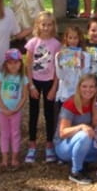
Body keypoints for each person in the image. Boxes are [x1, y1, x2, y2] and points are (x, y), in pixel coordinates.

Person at [24, 11, 61, 164]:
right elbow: (28, 65)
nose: (46, 27)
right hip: (35, 81)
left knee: (49, 114)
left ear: (53, 26)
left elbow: (58, 67)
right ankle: (32, 145)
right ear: (38, 25)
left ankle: (49, 144)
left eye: (49, 24)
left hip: (49, 82)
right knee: (33, 113)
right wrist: (31, 85)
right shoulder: (33, 43)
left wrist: (54, 87)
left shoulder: (56, 44)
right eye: (43, 24)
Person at [54, 73, 97, 185]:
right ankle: (76, 172)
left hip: (83, 142)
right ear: (79, 87)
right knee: (84, 135)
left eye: (91, 86)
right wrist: (81, 126)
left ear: (96, 88)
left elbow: (96, 126)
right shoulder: (71, 103)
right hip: (64, 146)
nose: (88, 90)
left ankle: (82, 160)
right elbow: (62, 133)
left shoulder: (95, 103)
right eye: (84, 86)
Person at [0, 48, 28, 168]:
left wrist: (17, 108)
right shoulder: (1, 76)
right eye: (10, 63)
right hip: (2, 111)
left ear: (20, 63)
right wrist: (3, 107)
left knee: (15, 133)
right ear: (6, 64)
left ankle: (14, 158)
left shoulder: (23, 78)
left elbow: (24, 96)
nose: (13, 66)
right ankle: (4, 158)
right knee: (4, 134)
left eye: (16, 63)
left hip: (16, 112)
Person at [53, 26, 92, 112]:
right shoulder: (60, 55)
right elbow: (60, 76)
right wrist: (59, 63)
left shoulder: (86, 55)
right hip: (65, 93)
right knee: (63, 119)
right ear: (66, 39)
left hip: (79, 93)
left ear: (79, 39)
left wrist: (82, 62)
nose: (73, 41)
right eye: (70, 38)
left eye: (75, 38)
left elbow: (85, 77)